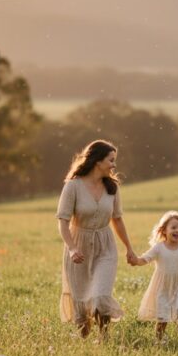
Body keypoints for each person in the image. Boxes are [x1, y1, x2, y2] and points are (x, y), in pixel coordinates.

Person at [56, 140, 137, 338]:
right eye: (111, 160)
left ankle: (104, 336)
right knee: (81, 300)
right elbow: (63, 222)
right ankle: (84, 335)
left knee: (101, 295)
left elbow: (117, 220)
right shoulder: (73, 186)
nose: (114, 165)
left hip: (105, 246)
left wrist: (129, 248)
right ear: (97, 161)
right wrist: (73, 248)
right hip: (79, 247)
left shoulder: (113, 187)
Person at [130, 211, 178, 341]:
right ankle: (159, 339)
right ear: (164, 230)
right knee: (163, 318)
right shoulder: (159, 248)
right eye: (174, 227)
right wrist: (135, 260)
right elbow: (145, 259)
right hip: (163, 287)